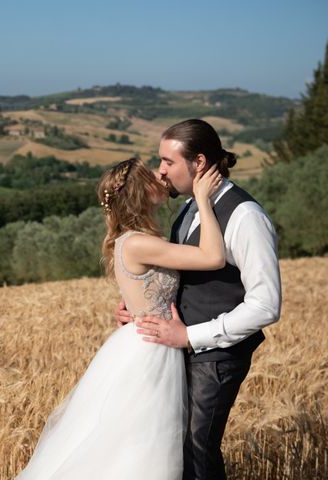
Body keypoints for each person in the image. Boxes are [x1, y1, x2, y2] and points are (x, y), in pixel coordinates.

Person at [15, 157, 225, 480]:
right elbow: (212, 256)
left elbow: (144, 289)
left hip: (143, 342)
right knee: (144, 450)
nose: (161, 176)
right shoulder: (140, 243)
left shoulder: (130, 240)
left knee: (134, 443)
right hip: (151, 351)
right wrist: (203, 201)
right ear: (141, 191)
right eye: (153, 175)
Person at [115, 119, 282, 480]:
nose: (160, 171)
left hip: (216, 357)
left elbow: (267, 304)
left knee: (197, 449)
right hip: (179, 351)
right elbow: (180, 276)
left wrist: (190, 337)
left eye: (167, 162)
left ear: (200, 162)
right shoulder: (191, 207)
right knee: (174, 447)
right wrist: (138, 309)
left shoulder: (245, 216)